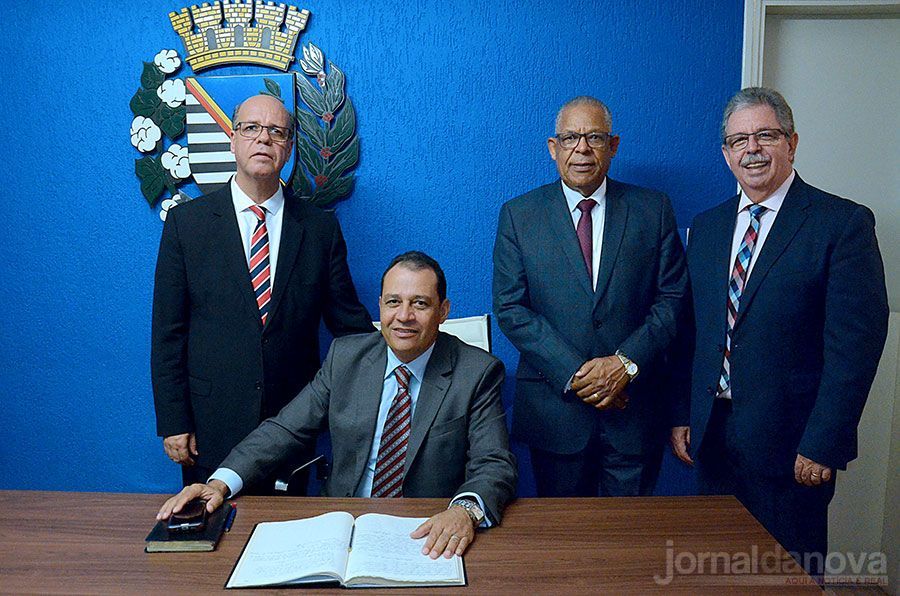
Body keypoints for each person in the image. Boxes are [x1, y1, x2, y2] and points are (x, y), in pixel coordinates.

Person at [157, 251, 517, 558]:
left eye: (420, 304)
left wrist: (464, 511)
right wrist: (220, 483)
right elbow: (284, 430)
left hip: (424, 531)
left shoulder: (477, 372)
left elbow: (494, 462)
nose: (404, 316)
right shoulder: (346, 357)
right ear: (380, 306)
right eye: (393, 302)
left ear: (443, 311)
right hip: (341, 522)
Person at [670, 87, 888, 575]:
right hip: (713, 436)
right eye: (739, 140)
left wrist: (824, 442)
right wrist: (683, 413)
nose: (752, 149)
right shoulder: (707, 227)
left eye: (765, 135)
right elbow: (692, 332)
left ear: (792, 142)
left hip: (793, 444)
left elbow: (855, 348)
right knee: (717, 570)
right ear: (726, 153)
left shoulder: (841, 223)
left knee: (787, 573)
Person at [151, 93, 373, 491]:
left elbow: (349, 325)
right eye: (251, 128)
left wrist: (411, 359)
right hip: (210, 425)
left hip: (293, 423)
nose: (263, 139)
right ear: (232, 140)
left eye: (276, 131)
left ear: (289, 146)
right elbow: (168, 332)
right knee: (214, 523)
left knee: (290, 528)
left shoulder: (319, 229)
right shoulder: (187, 224)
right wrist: (174, 421)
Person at [492, 96, 688, 497]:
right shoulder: (519, 215)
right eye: (570, 138)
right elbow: (510, 307)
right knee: (565, 533)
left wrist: (624, 364)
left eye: (594, 137)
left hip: (634, 410)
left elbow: (672, 299)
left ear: (613, 145)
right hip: (556, 413)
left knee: (628, 531)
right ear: (553, 147)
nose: (581, 149)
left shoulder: (652, 209)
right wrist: (578, 374)